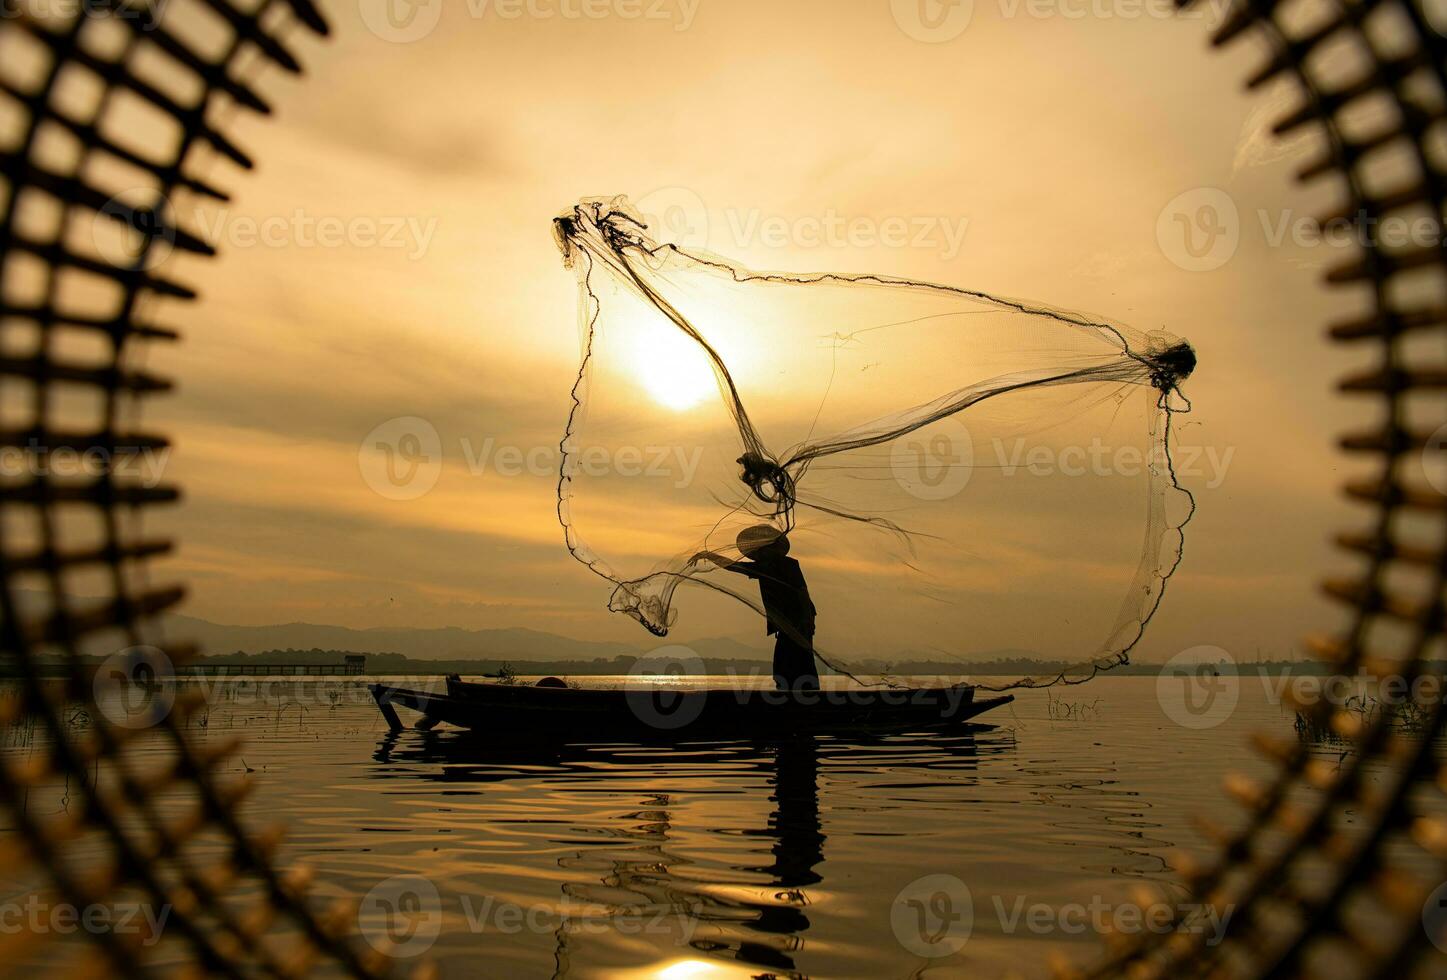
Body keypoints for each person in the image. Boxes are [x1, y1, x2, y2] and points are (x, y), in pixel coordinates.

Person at [693, 525, 819, 692]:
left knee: (797, 659)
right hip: (787, 622)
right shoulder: (763, 567)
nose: (759, 554)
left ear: (769, 549)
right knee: (787, 661)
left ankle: (805, 696)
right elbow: (733, 566)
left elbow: (802, 593)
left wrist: (806, 619)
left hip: (798, 620)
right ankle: (794, 694)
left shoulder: (787, 565)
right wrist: (709, 555)